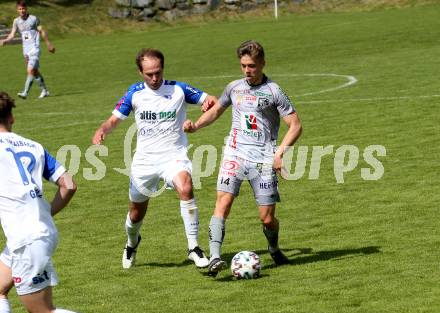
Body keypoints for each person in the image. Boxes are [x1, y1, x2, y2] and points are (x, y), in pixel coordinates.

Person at [184, 40, 303, 277]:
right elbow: (216, 110)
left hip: (263, 160)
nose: (247, 71)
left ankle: (274, 247)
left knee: (267, 218)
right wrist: (196, 125)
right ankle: (215, 258)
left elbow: (295, 125)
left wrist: (280, 153)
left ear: (262, 63)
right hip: (235, 154)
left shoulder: (274, 91)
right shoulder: (234, 88)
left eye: (251, 65)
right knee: (223, 202)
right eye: (243, 65)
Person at [92, 48, 217, 269]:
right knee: (136, 213)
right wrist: (102, 129)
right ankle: (132, 243)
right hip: (145, 162)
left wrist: (196, 121)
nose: (155, 78)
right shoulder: (134, 93)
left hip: (174, 156)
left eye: (158, 72)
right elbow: (113, 120)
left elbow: (213, 101)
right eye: (149, 74)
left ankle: (194, 247)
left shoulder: (178, 89)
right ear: (140, 72)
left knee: (186, 187)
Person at [0, 92, 83, 313]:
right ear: (12, 118)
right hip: (36, 232)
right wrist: (45, 211)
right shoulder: (34, 146)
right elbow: (69, 185)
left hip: (26, 240)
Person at [0, 1, 55, 99]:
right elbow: (12, 34)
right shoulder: (16, 21)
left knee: (30, 70)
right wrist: (6, 40)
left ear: (26, 9)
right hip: (26, 50)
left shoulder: (33, 19)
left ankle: (25, 92)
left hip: (35, 49)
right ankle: (45, 91)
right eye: (20, 9)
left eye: (23, 8)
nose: (22, 11)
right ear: (17, 10)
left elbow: (41, 30)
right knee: (35, 72)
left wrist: (48, 44)